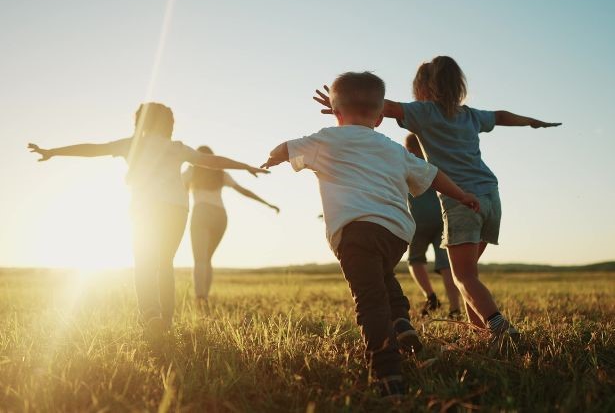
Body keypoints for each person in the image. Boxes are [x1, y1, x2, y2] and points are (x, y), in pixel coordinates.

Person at [314, 57, 561, 348]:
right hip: (491, 196)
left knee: (464, 277)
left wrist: (342, 104)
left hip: (462, 200)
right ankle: (479, 336)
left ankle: (500, 328)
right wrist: (532, 122)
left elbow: (381, 106)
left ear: (422, 86)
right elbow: (502, 115)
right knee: (469, 276)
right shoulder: (470, 115)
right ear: (459, 85)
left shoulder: (424, 112)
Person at [264, 72, 480, 399]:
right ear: (380, 117)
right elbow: (433, 174)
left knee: (369, 300)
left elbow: (285, 148)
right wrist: (462, 195)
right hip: (396, 233)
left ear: (335, 112)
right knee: (381, 276)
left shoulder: (324, 139)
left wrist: (272, 158)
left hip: (354, 232)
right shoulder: (392, 148)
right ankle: (402, 323)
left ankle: (387, 371)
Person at [28, 102, 267, 337]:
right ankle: (166, 320)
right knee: (164, 263)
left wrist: (53, 152)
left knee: (144, 261)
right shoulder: (177, 148)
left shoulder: (132, 144)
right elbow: (212, 162)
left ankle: (152, 316)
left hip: (146, 208)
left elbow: (93, 149)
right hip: (177, 209)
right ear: (168, 125)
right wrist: (245, 166)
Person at [182, 145, 280, 305]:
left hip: (201, 212)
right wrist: (268, 204)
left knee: (200, 260)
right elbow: (244, 191)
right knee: (207, 259)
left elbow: (176, 187)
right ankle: (204, 297)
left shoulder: (191, 172)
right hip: (220, 216)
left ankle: (201, 298)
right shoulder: (221, 174)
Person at [405, 133, 461, 319]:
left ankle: (431, 297)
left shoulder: (407, 165)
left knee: (415, 260)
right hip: (442, 219)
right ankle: (454, 308)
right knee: (447, 265)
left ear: (409, 149)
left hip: (417, 222)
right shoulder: (436, 162)